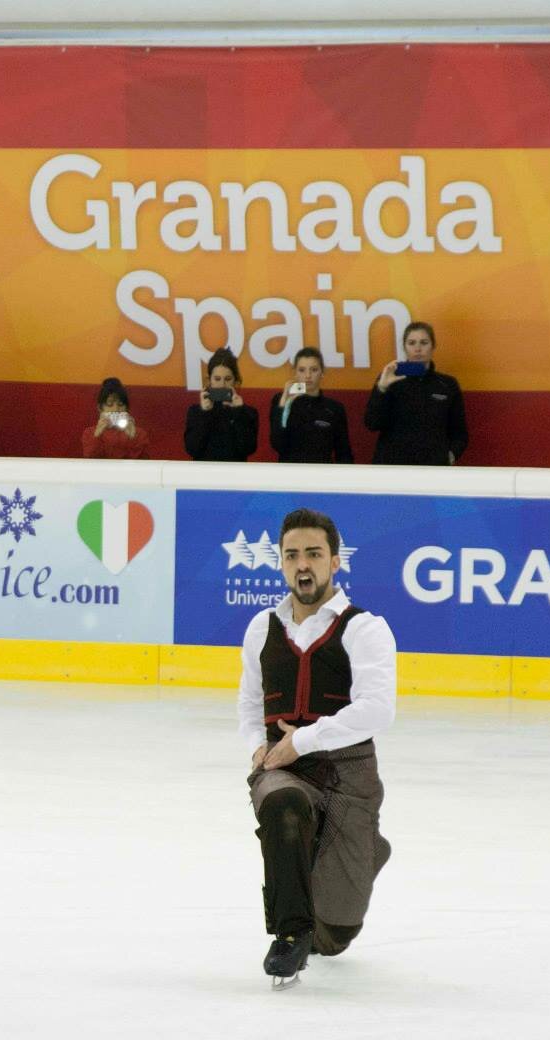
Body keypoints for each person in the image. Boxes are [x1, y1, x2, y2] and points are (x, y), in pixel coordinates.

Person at [237, 508, 396, 988]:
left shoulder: (365, 629)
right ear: (281, 563)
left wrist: (301, 740)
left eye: (313, 553)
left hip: (348, 775)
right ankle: (289, 935)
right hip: (284, 770)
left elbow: (377, 710)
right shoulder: (261, 628)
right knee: (282, 805)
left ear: (335, 561)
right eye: (291, 555)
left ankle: (363, 849)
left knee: (334, 936)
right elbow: (249, 703)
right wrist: (260, 751)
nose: (302, 565)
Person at [366, 321, 469, 465]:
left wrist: (449, 456)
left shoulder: (447, 384)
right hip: (392, 467)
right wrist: (381, 389)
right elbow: (372, 424)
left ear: (433, 346)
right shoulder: (390, 378)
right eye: (412, 343)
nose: (418, 348)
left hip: (433, 470)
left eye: (424, 342)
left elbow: (459, 433)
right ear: (404, 347)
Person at [268, 347, 351, 464]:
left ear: (322, 372)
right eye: (302, 370)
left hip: (323, 476)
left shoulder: (334, 408)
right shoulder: (282, 400)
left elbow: (343, 452)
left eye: (314, 370)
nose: (308, 375)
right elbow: (277, 444)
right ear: (295, 373)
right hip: (290, 475)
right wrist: (283, 405)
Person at [182, 347, 258, 462]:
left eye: (228, 379)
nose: (222, 384)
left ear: (235, 381)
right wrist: (205, 413)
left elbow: (248, 448)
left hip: (235, 476)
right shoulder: (195, 411)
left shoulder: (248, 413)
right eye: (217, 379)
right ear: (209, 381)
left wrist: (238, 413)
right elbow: (192, 449)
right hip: (203, 476)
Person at [80, 377, 151, 459]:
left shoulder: (139, 433)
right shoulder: (89, 433)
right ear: (100, 408)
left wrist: (132, 437)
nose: (116, 409)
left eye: (120, 404)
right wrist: (97, 434)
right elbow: (90, 458)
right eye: (110, 404)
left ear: (126, 409)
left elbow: (144, 463)